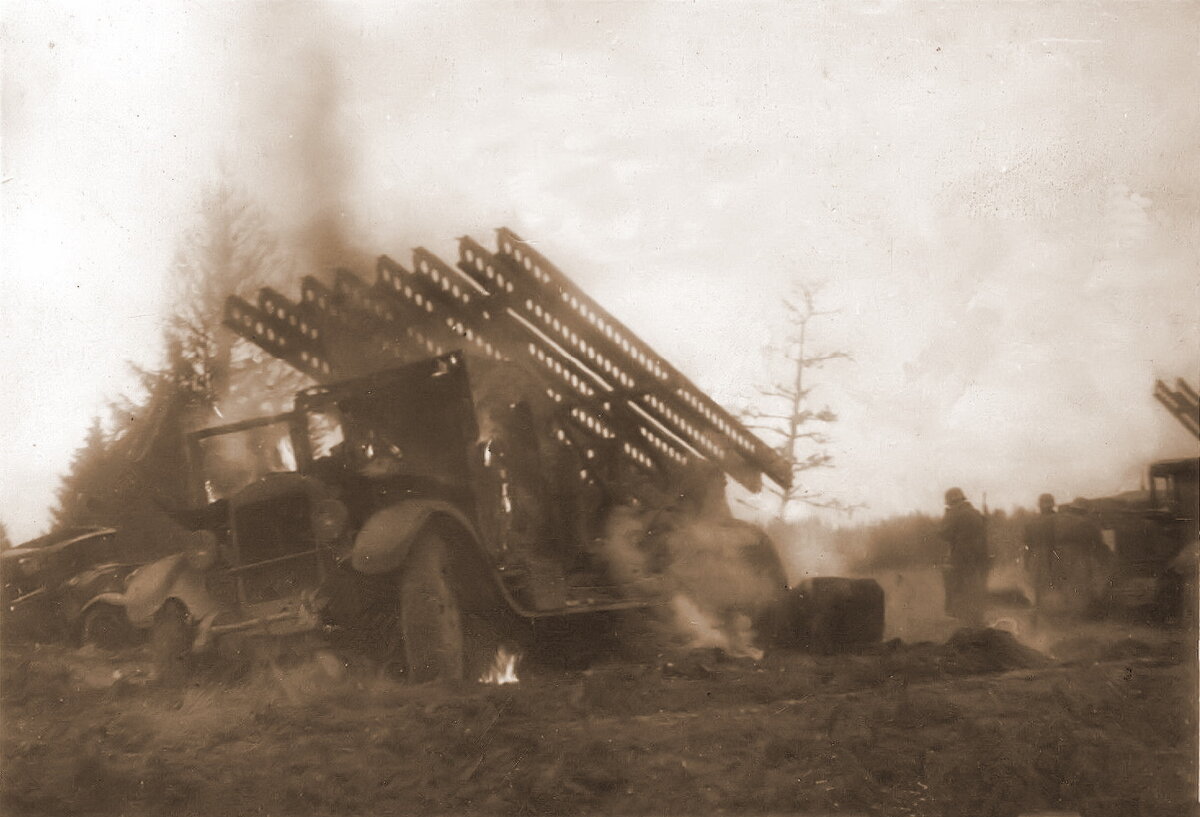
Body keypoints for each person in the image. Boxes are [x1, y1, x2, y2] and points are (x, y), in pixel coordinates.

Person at [939, 487, 989, 626]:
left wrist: (947, 514)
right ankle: (977, 621)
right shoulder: (975, 513)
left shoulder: (954, 514)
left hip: (960, 557)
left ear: (951, 501)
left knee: (957, 590)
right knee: (975, 589)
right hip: (980, 557)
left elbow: (943, 533)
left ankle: (963, 624)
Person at [1023, 493, 1062, 617]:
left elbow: (1027, 543)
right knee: (1054, 583)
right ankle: (1051, 613)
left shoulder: (1032, 522)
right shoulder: (1058, 519)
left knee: (1039, 586)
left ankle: (1040, 612)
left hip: (1037, 555)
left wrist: (1027, 561)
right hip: (1053, 554)